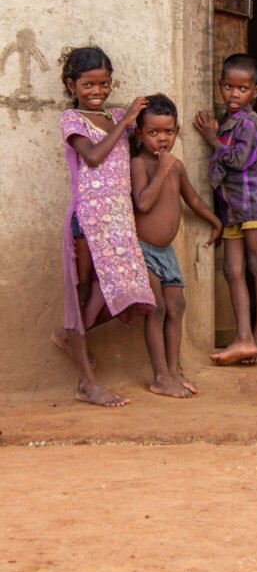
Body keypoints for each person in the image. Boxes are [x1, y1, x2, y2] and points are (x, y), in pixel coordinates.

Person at [52, 46, 156, 408]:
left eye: (104, 83)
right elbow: (94, 157)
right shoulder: (73, 119)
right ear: (72, 85)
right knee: (82, 295)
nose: (98, 91)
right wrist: (125, 124)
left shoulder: (118, 116)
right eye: (89, 85)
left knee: (122, 290)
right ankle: (86, 383)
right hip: (88, 222)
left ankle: (69, 336)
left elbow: (142, 141)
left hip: (119, 224)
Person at [131, 94, 223, 398]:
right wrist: (163, 169)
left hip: (166, 253)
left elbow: (192, 198)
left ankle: (174, 371)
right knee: (156, 309)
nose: (162, 139)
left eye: (168, 132)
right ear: (140, 134)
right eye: (153, 132)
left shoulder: (176, 165)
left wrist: (215, 220)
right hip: (144, 250)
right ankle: (160, 376)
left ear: (177, 131)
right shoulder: (139, 164)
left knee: (177, 307)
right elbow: (143, 203)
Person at [193, 54, 257, 366]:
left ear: (256, 91)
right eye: (228, 87)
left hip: (253, 204)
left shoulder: (249, 123)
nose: (234, 94)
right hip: (232, 208)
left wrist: (213, 140)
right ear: (220, 86)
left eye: (243, 89)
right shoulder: (228, 122)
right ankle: (244, 338)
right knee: (232, 270)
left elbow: (238, 160)